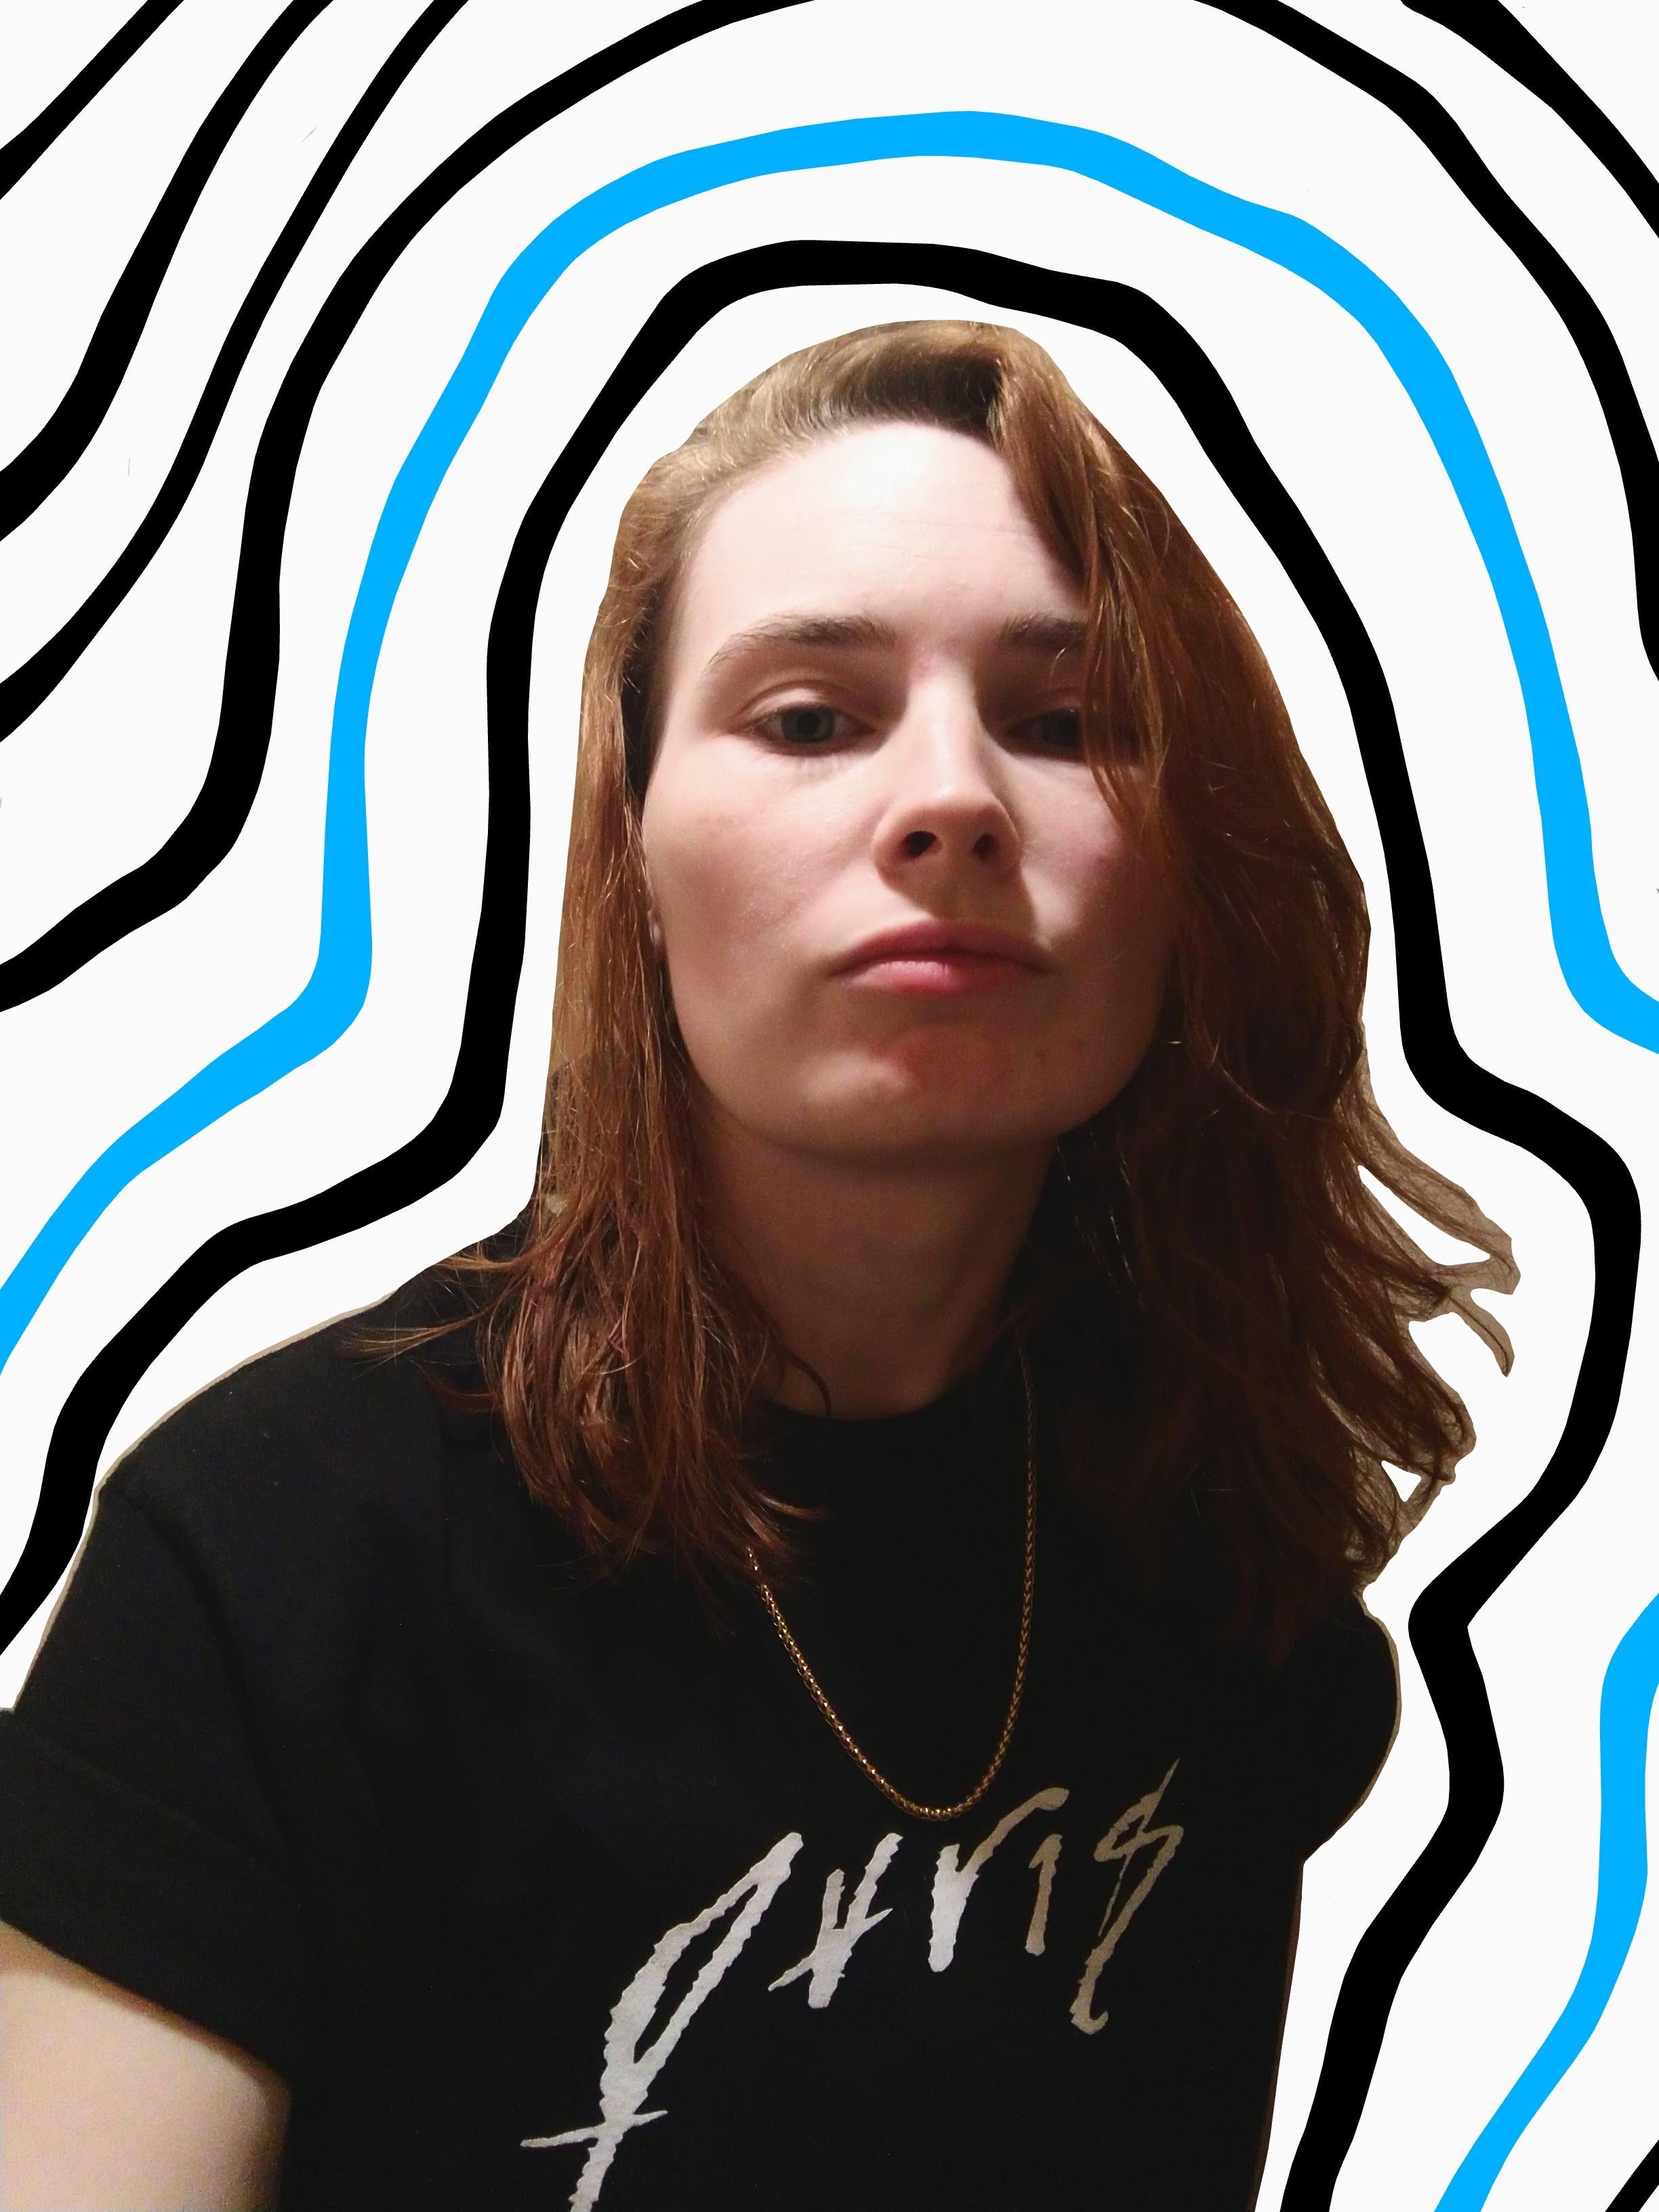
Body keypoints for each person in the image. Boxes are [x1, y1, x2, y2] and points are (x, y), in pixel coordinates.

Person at [0, 321, 1515, 2211]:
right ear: (631, 849)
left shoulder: (1219, 1568)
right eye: (809, 718)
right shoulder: (269, 1560)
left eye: (1065, 721)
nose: (952, 797)